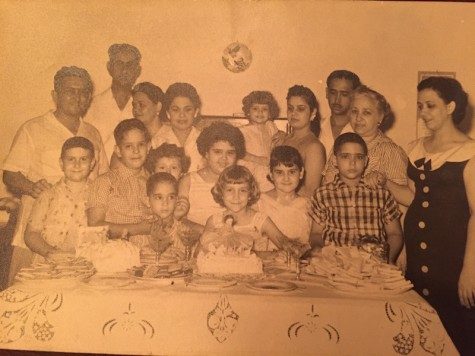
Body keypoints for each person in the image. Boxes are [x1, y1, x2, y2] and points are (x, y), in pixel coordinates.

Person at [385, 77, 475, 354]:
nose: (423, 113)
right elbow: (413, 200)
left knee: (456, 332)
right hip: (419, 257)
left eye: (430, 106)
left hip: (453, 259)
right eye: (420, 106)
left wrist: (470, 270)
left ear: (450, 106)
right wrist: (403, 252)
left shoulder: (470, 152)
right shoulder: (415, 148)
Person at [2, 66, 108, 285]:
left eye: (83, 92)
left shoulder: (92, 133)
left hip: (81, 234)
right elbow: (10, 174)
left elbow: (103, 177)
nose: (77, 97)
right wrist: (32, 187)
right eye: (70, 90)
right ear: (55, 95)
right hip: (38, 236)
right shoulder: (33, 128)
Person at [309, 132, 403, 264]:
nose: (352, 163)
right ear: (334, 160)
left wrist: (386, 259)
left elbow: (395, 234)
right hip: (336, 264)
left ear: (366, 161)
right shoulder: (322, 194)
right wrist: (323, 254)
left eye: (358, 157)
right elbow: (315, 234)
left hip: (373, 265)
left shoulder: (382, 194)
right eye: (345, 156)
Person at [24, 137, 96, 262]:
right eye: (71, 159)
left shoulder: (99, 195)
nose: (77, 165)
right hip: (49, 263)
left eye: (83, 159)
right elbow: (31, 234)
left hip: (85, 263)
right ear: (61, 163)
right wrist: (52, 253)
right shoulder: (47, 195)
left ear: (92, 163)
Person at [200, 165, 299, 254]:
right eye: (230, 190)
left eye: (242, 190)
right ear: (221, 193)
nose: (236, 196)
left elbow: (285, 244)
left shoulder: (260, 220)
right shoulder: (214, 221)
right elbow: (199, 253)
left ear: (250, 194)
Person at [323, 85, 407, 186]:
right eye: (354, 111)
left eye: (366, 113)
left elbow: (405, 198)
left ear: (380, 117)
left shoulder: (390, 151)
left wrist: (384, 182)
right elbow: (326, 184)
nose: (358, 118)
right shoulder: (342, 144)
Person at [87, 119, 153, 248]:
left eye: (141, 145)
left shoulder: (154, 182)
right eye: (128, 146)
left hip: (150, 254)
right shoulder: (105, 182)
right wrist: (138, 229)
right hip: (115, 255)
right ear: (118, 151)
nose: (136, 151)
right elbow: (94, 225)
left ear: (149, 147)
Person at [178, 122, 245, 225]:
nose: (224, 158)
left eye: (230, 153)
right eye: (217, 152)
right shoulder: (189, 181)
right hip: (196, 236)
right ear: (206, 153)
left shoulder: (242, 182)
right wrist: (205, 232)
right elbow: (179, 218)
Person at [85, 43, 142, 162]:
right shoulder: (91, 106)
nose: (125, 70)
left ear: (138, 70)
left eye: (130, 65)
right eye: (119, 64)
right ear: (109, 67)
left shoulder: (144, 107)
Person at [256, 146, 313, 247]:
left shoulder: (308, 205)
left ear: (301, 173)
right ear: (271, 174)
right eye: (279, 172)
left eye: (292, 172)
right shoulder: (259, 202)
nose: (286, 178)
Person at [279, 85, 326, 197]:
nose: (293, 113)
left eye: (300, 109)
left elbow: (311, 192)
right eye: (290, 108)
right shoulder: (283, 140)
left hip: (298, 209)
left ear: (313, 113)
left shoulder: (314, 147)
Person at [145, 172, 203, 256]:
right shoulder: (143, 228)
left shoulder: (183, 232)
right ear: (148, 201)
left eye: (171, 197)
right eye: (159, 197)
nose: (165, 203)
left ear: (177, 200)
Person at [110, 81, 165, 168]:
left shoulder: (171, 135)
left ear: (158, 106)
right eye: (134, 105)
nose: (136, 109)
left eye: (141, 105)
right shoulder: (128, 135)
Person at [153, 83, 203, 172]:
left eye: (187, 110)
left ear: (196, 112)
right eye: (175, 110)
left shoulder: (204, 140)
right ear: (168, 113)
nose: (182, 115)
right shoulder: (158, 141)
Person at [238, 90, 281, 192]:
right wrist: (258, 159)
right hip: (251, 168)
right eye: (255, 109)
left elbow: (277, 141)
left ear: (270, 113)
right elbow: (239, 152)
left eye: (264, 109)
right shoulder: (243, 130)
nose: (260, 112)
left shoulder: (270, 126)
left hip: (268, 167)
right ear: (248, 111)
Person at [319, 70, 361, 159]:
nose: (337, 100)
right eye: (333, 93)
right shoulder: (316, 127)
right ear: (327, 92)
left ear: (354, 95)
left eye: (344, 94)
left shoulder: (360, 130)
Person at [145, 143, 191, 220]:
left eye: (174, 168)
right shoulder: (150, 189)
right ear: (153, 171)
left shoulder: (183, 191)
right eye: (162, 167)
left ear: (182, 173)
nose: (168, 172)